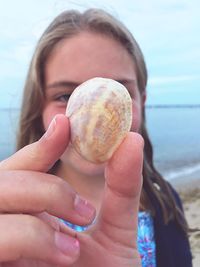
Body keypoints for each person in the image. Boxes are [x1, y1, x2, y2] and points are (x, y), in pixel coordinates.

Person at [0, 8, 192, 267]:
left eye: (117, 93)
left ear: (142, 103)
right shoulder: (20, 216)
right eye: (65, 96)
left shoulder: (167, 205)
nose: (97, 118)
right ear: (38, 109)